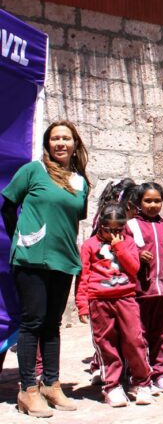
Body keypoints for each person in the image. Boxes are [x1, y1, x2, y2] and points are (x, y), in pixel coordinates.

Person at [1, 120, 90, 417]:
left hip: (63, 259)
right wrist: (22, 237)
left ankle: (51, 384)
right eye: (55, 139)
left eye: (66, 138)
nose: (61, 143)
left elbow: (74, 218)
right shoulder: (33, 171)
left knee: (52, 325)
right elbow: (8, 205)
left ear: (75, 144)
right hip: (32, 258)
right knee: (33, 322)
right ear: (47, 143)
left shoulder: (80, 181)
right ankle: (27, 390)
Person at [76, 203, 153, 407]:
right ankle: (112, 386)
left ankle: (142, 382)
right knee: (106, 344)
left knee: (134, 340)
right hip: (99, 299)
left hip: (125, 297)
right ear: (100, 225)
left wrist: (118, 247)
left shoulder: (127, 242)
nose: (113, 234)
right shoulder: (90, 245)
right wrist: (82, 303)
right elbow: (83, 276)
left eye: (118, 229)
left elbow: (134, 267)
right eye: (108, 229)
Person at [125, 183, 163, 395]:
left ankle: (162, 372)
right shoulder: (130, 227)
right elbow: (121, 252)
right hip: (139, 291)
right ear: (139, 202)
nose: (153, 205)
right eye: (148, 201)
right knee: (138, 334)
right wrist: (137, 255)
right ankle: (140, 372)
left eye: (157, 201)